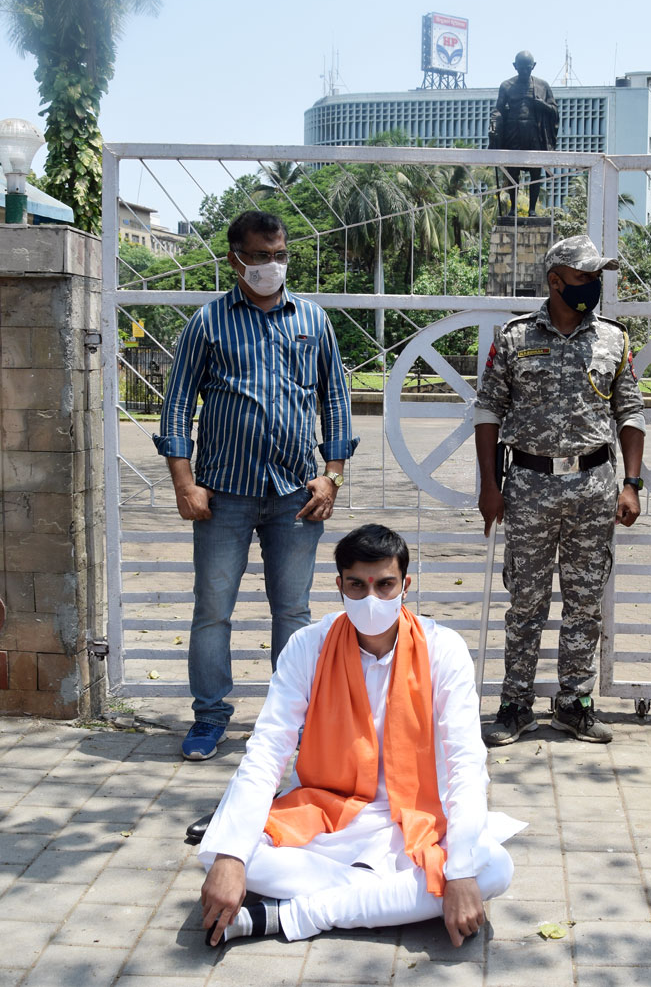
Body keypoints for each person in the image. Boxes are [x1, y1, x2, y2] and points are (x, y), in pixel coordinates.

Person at [198, 524, 521, 946]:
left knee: (494, 867)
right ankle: (389, 901)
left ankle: (291, 915)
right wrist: (231, 856)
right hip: (329, 816)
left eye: (384, 584)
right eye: (357, 585)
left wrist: (458, 872)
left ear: (405, 586)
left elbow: (465, 761)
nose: (372, 598)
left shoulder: (443, 648)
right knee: (222, 855)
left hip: (420, 819)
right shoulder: (307, 646)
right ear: (339, 586)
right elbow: (268, 749)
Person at [154, 210, 358, 761]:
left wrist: (332, 477)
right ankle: (209, 717)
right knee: (212, 609)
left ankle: (291, 720)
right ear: (235, 259)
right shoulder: (208, 322)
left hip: (296, 495)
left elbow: (335, 402)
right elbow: (177, 405)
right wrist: (184, 483)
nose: (272, 265)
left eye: (280, 255)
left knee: (292, 612)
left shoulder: (312, 320)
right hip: (223, 494)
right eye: (261, 256)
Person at [473, 234, 646, 746]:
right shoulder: (515, 337)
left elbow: (631, 413)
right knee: (525, 600)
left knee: (585, 600)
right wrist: (489, 485)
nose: (593, 284)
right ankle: (515, 704)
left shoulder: (613, 339)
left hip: (594, 486)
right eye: (583, 276)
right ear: (555, 280)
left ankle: (574, 704)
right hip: (529, 485)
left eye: (596, 277)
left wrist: (632, 484)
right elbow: (488, 412)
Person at [488, 50, 558, 216]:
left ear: (533, 66)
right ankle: (513, 209)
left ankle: (532, 210)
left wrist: (543, 105)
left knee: (536, 172)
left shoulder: (543, 86)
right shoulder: (506, 86)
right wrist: (494, 126)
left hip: (535, 132)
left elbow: (554, 110)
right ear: (515, 66)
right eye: (521, 67)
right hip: (513, 132)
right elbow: (498, 109)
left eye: (528, 67)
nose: (525, 71)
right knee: (513, 172)